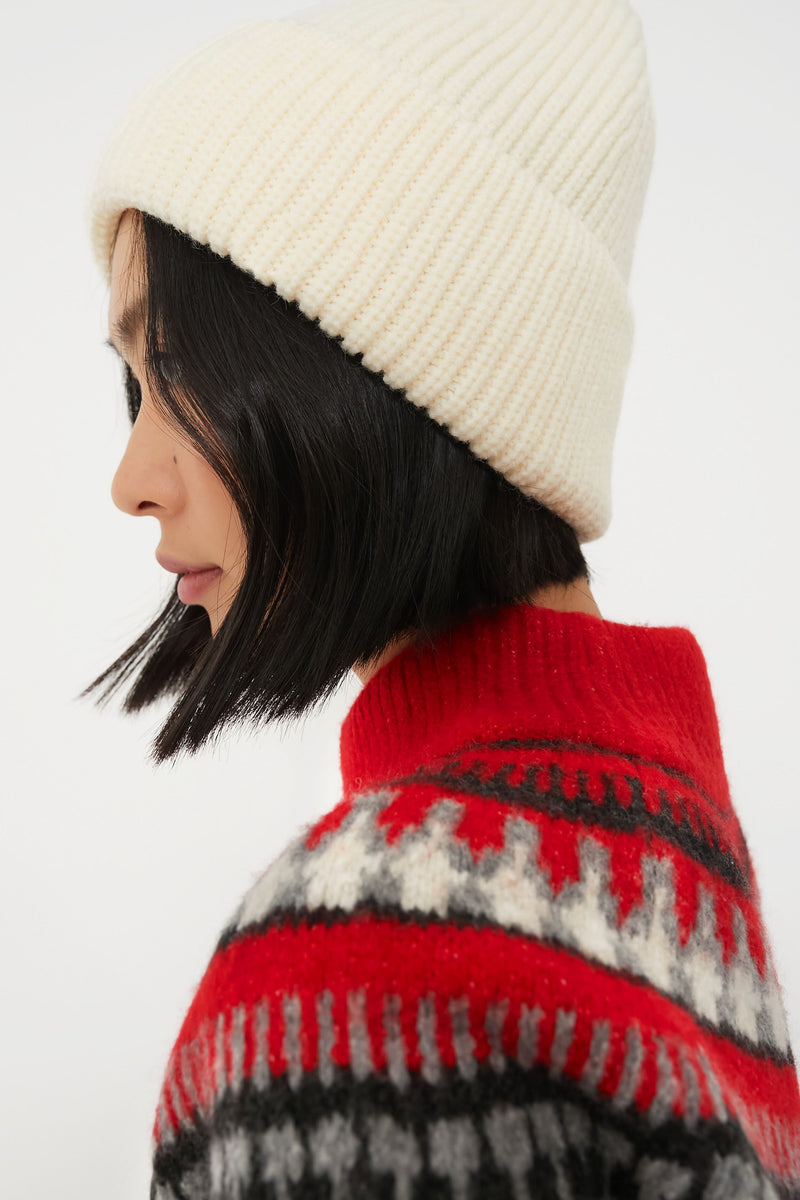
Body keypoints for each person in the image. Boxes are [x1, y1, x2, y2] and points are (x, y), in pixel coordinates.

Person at [82, 1, 800, 1197]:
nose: (131, 479)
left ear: (377, 360)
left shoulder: (361, 964)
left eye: (179, 365)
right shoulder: (672, 882)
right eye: (133, 386)